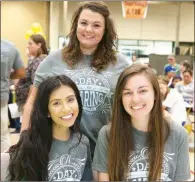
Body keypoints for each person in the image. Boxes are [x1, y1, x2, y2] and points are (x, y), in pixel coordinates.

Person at [21, 1, 130, 156]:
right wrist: (23, 141)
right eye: (83, 23)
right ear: (75, 26)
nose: (88, 30)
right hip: (60, 152)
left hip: (105, 151)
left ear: (105, 30)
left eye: (97, 25)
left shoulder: (121, 64)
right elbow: (32, 103)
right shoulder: (53, 60)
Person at [92, 64, 190, 181]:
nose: (135, 99)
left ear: (155, 94)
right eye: (128, 93)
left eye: (142, 91)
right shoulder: (108, 134)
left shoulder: (178, 134)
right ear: (120, 98)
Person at [1, 75, 92, 181]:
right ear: (46, 111)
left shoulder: (83, 142)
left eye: (70, 100)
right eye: (56, 103)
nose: (66, 109)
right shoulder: (30, 145)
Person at [1, 40, 26, 152]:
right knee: (3, 134)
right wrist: (7, 76)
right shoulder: (10, 47)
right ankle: (5, 165)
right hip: (2, 96)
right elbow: (21, 72)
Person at [15, 34, 48, 113]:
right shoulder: (35, 60)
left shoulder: (39, 61)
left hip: (31, 102)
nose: (27, 46)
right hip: (26, 100)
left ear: (39, 45)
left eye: (30, 43)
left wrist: (29, 104)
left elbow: (34, 84)